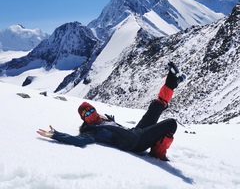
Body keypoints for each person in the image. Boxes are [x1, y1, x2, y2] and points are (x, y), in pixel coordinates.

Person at [37, 62, 185, 161]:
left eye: (91, 110)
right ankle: (157, 153)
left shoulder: (103, 120)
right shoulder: (92, 132)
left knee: (156, 107)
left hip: (135, 132)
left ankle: (173, 81)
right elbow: (78, 141)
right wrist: (56, 135)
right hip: (136, 143)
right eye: (86, 114)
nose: (90, 114)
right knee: (171, 124)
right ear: (84, 119)